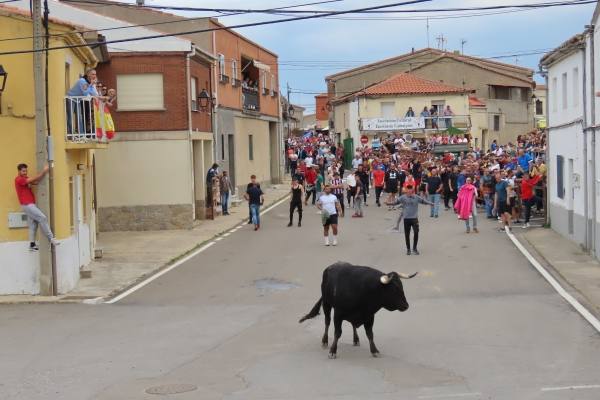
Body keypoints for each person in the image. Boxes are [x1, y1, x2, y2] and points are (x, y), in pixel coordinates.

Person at [14, 163, 60, 250]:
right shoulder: (19, 179)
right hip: (27, 204)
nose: (25, 172)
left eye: (26, 171)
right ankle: (51, 238)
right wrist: (44, 171)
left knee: (33, 225)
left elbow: (36, 181)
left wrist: (44, 174)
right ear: (19, 171)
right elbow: (35, 178)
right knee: (42, 218)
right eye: (23, 171)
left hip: (30, 204)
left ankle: (32, 244)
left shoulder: (25, 179)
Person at [388, 185, 433, 255]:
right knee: (407, 234)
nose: (409, 191)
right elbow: (396, 202)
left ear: (412, 190)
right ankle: (408, 249)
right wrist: (388, 203)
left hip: (414, 218)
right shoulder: (403, 197)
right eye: (408, 190)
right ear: (406, 190)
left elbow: (423, 201)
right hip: (406, 219)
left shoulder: (416, 197)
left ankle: (414, 248)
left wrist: (430, 203)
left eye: (410, 190)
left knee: (416, 232)